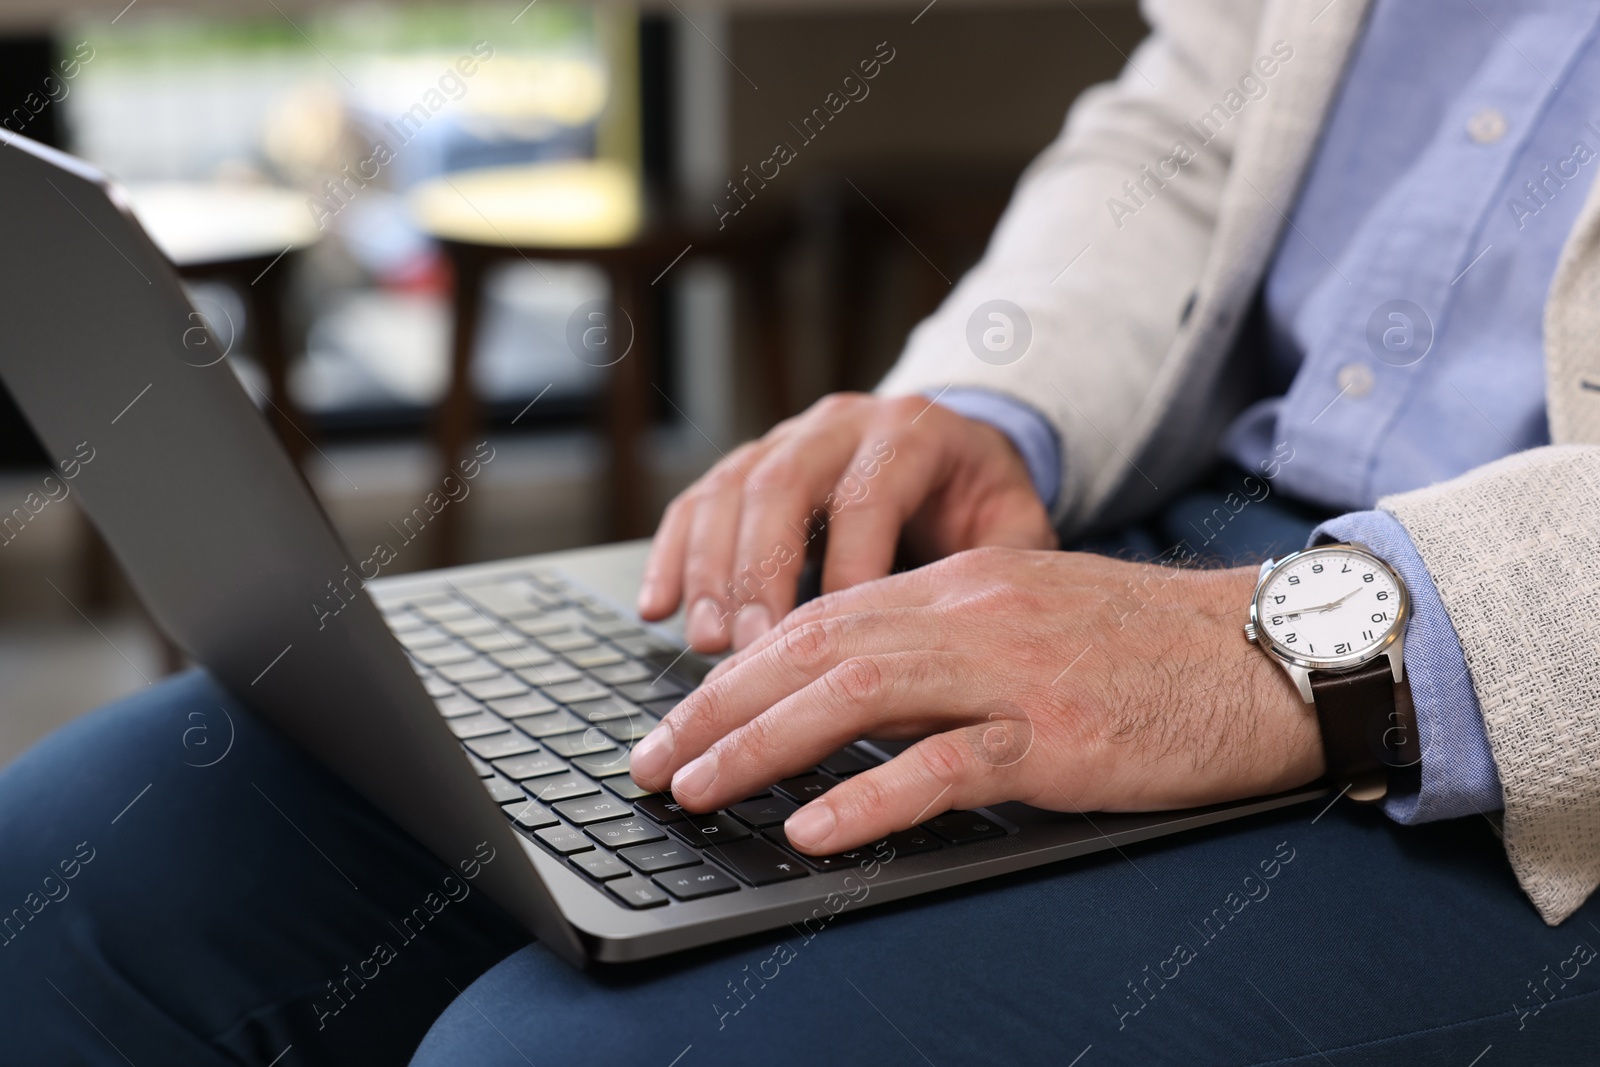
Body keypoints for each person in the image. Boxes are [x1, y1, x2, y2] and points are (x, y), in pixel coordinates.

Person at [3, 1, 1598, 1063]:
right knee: (78, 860)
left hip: (1524, 738)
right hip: (1161, 530)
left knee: (551, 1054)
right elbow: (1191, 129)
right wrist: (992, 406)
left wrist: (1301, 643)